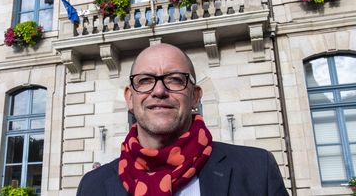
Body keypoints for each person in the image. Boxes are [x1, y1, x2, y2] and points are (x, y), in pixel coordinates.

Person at [77, 43, 289, 196]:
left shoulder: (257, 170)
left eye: (175, 80)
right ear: (130, 98)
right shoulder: (92, 186)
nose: (159, 91)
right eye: (145, 80)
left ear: (195, 95)